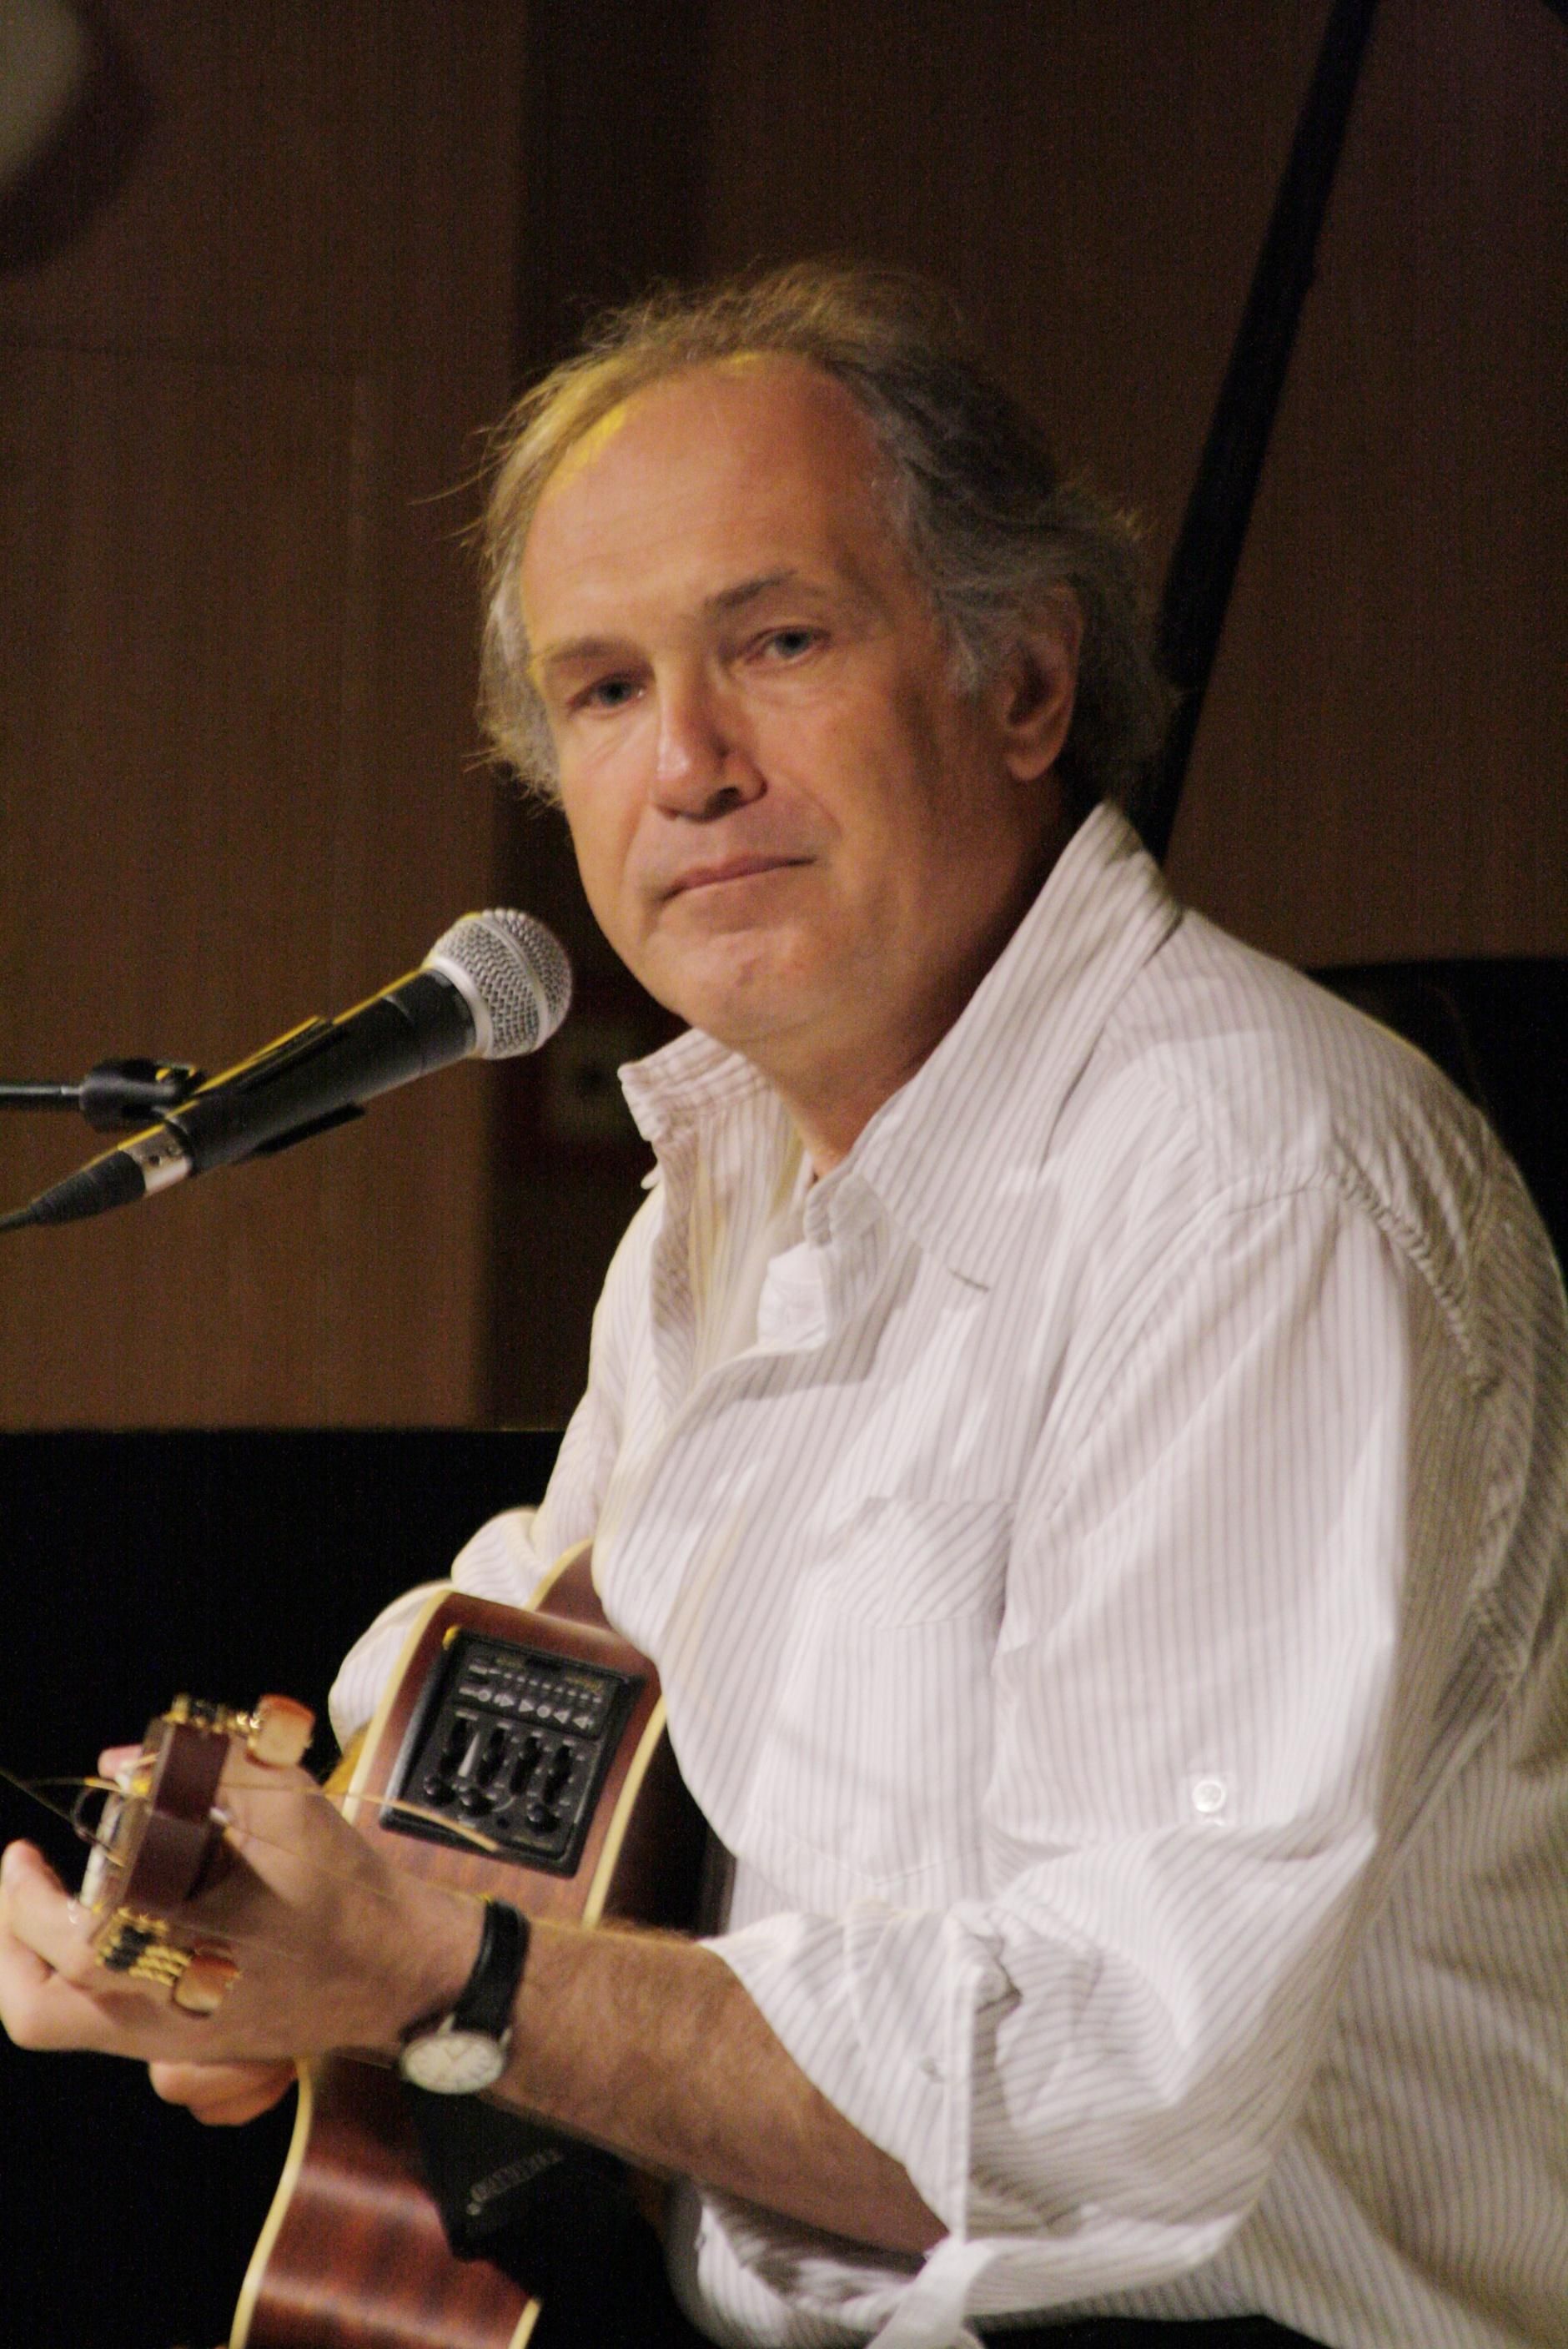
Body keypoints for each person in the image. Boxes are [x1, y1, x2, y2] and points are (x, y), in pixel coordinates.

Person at [2, 264, 1565, 2349]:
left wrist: (435, 1972)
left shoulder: (1247, 1185)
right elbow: (536, 1703)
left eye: (779, 643)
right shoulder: (730, 1186)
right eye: (602, 690)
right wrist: (246, 1941)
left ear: (1025, 685)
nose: (687, 764)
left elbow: (1115, 2085)